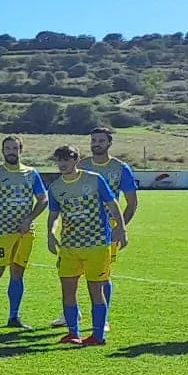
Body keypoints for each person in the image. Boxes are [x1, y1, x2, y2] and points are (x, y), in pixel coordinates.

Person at [46, 144, 126, 347]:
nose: (63, 164)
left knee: (95, 290)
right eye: (59, 160)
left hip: (96, 245)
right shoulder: (55, 188)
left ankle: (98, 335)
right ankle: (73, 333)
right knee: (68, 290)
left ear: (76, 160)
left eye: (67, 159)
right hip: (69, 246)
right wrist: (51, 233)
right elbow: (54, 215)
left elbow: (112, 204)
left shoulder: (94, 179)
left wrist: (121, 228)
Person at [0, 137, 46, 330]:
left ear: (20, 150)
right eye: (7, 148)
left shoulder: (31, 174)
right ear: (2, 151)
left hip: (24, 233)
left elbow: (43, 199)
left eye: (14, 148)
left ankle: (14, 317)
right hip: (1, 232)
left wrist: (29, 219)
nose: (11, 151)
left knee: (18, 272)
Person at [85, 128, 141, 321]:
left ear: (109, 143)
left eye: (101, 140)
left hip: (106, 228)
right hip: (79, 226)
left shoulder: (120, 168)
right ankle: (70, 315)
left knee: (103, 274)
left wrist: (120, 227)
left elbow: (132, 203)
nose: (96, 144)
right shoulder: (81, 165)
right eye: (94, 140)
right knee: (72, 272)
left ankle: (104, 318)